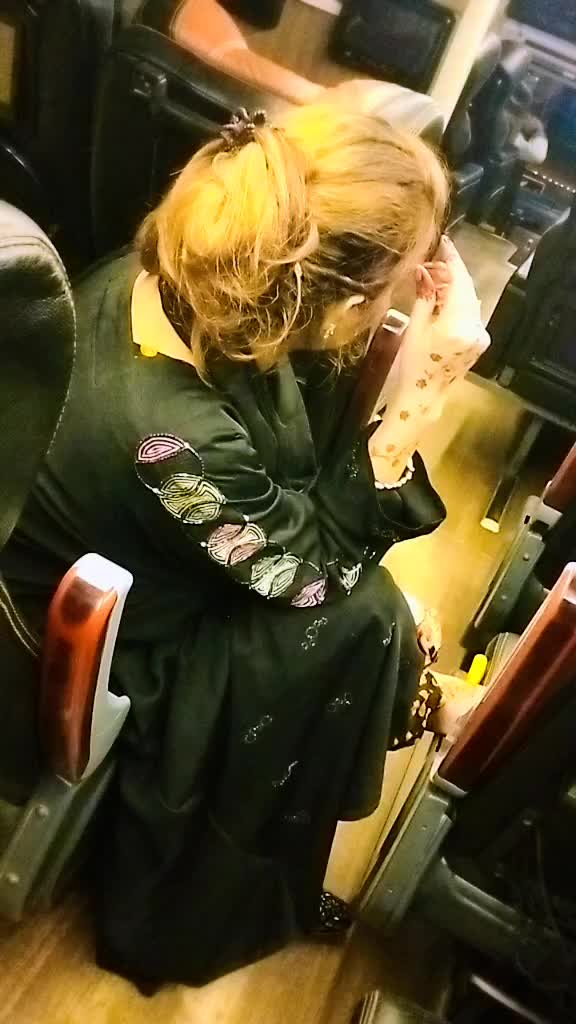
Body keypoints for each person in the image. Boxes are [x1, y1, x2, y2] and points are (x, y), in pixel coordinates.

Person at [0, 97, 488, 989]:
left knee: (372, 604)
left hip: (128, 557)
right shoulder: (171, 438)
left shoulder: (186, 274)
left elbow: (285, 496)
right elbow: (311, 579)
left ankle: (426, 696)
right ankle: (235, 887)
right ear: (337, 300)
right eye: (391, 290)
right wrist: (418, 401)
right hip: (90, 644)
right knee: (364, 614)